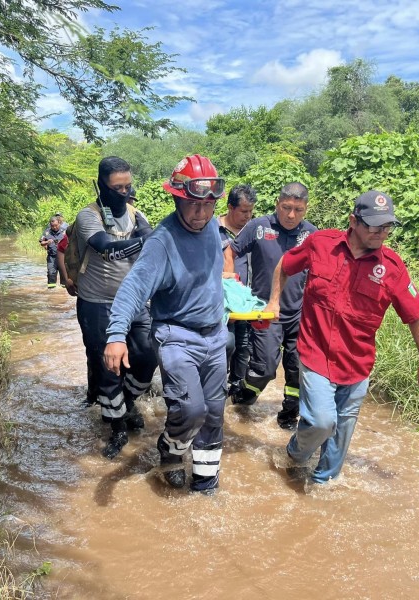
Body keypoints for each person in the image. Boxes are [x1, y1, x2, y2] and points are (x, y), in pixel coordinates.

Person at [265, 190, 419, 484]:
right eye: (373, 225)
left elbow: (416, 314)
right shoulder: (322, 244)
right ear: (353, 221)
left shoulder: (392, 268)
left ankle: (322, 491)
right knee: (322, 422)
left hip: (357, 365)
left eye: (387, 226)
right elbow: (286, 265)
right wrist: (274, 302)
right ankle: (294, 455)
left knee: (338, 445)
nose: (381, 233)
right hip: (316, 353)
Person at [104, 154, 227, 494]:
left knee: (214, 412)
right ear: (176, 197)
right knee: (191, 408)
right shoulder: (163, 241)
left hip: (215, 335)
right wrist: (116, 336)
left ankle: (205, 484)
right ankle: (171, 452)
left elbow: (215, 276)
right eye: (192, 204)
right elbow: (133, 287)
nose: (200, 213)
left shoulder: (216, 228)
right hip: (176, 335)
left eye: (207, 204)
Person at [65, 156, 157, 459]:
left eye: (128, 186)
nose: (124, 192)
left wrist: (151, 239)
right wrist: (145, 241)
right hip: (97, 303)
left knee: (147, 355)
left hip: (135, 301)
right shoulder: (87, 216)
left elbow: (151, 240)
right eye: (117, 187)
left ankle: (126, 403)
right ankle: (116, 428)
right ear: (101, 186)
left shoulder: (136, 213)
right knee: (109, 368)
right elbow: (107, 247)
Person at [225, 182, 317, 430]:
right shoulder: (259, 227)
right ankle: (243, 397)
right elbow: (230, 252)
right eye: (286, 207)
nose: (291, 215)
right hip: (266, 313)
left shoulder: (311, 234)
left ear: (305, 208)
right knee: (264, 368)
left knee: (297, 370)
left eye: (298, 209)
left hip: (299, 313)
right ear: (277, 203)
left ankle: (288, 415)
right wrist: (231, 289)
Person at [218, 184, 257, 400]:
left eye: (251, 211)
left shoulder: (253, 231)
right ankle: (217, 384)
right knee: (226, 344)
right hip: (221, 301)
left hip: (247, 299)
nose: (248, 216)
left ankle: (236, 388)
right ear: (230, 207)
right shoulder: (212, 229)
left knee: (244, 346)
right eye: (243, 211)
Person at [40, 215, 67, 288]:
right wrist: (46, 242)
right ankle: (51, 291)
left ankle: (63, 291)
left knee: (64, 274)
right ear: (50, 225)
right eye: (52, 226)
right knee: (51, 273)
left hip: (63, 257)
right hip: (52, 257)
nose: (54, 227)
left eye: (56, 225)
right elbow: (41, 242)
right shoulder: (47, 232)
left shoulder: (65, 231)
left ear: (59, 223)